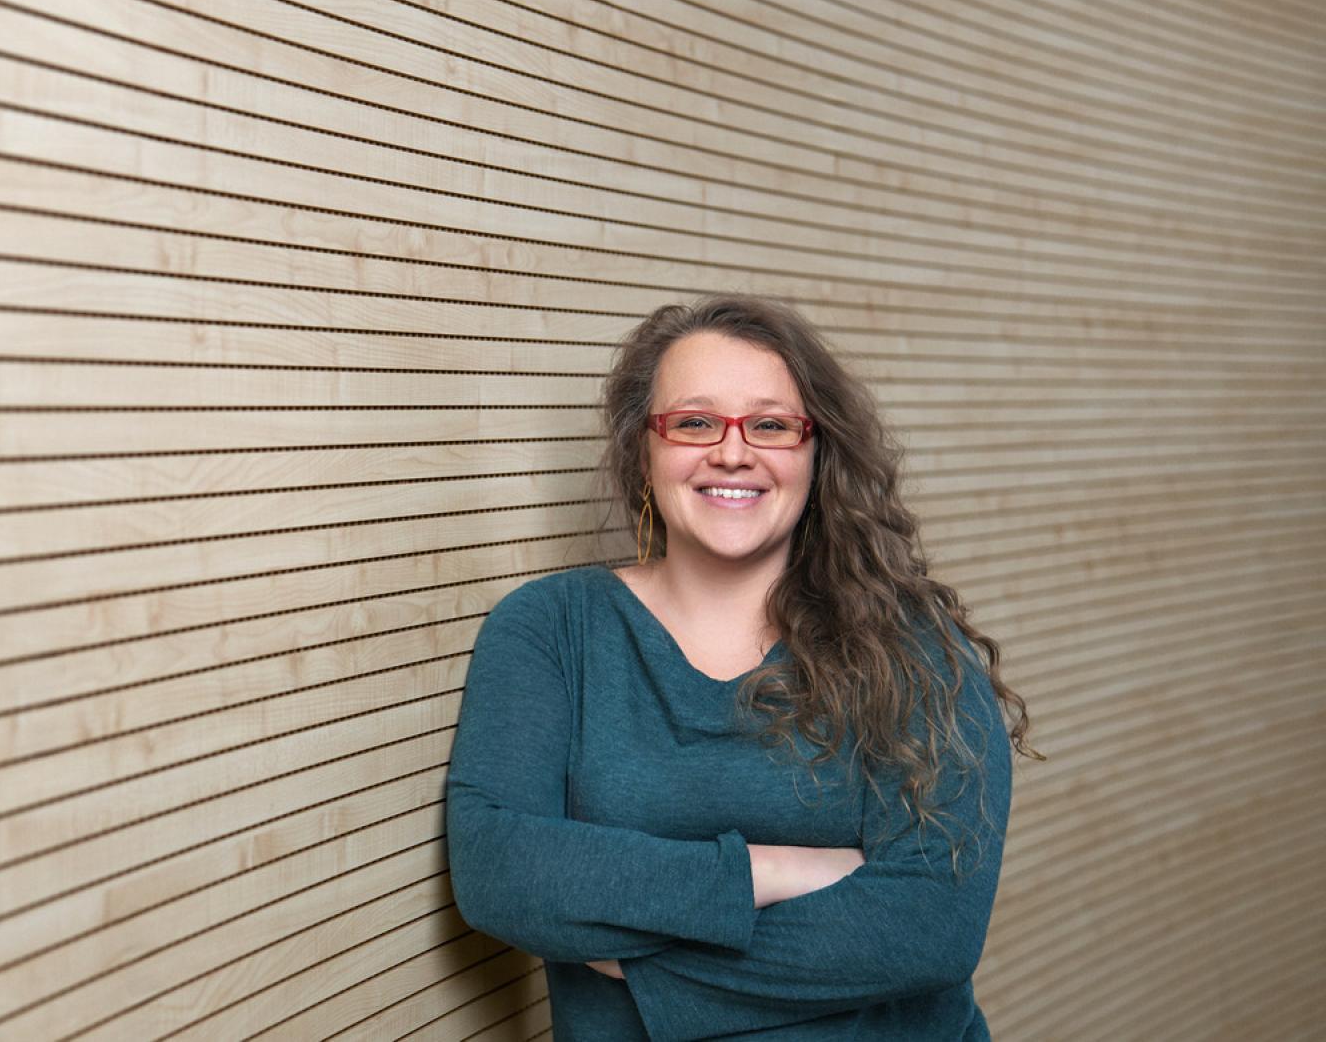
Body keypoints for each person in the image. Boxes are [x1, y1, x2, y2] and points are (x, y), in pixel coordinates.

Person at [443, 293, 1043, 1040]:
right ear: (643, 448)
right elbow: (501, 869)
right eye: (694, 422)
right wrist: (767, 870)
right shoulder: (550, 630)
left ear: (815, 450)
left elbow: (928, 927)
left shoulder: (914, 649)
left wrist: (641, 962)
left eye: (770, 424)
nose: (733, 451)